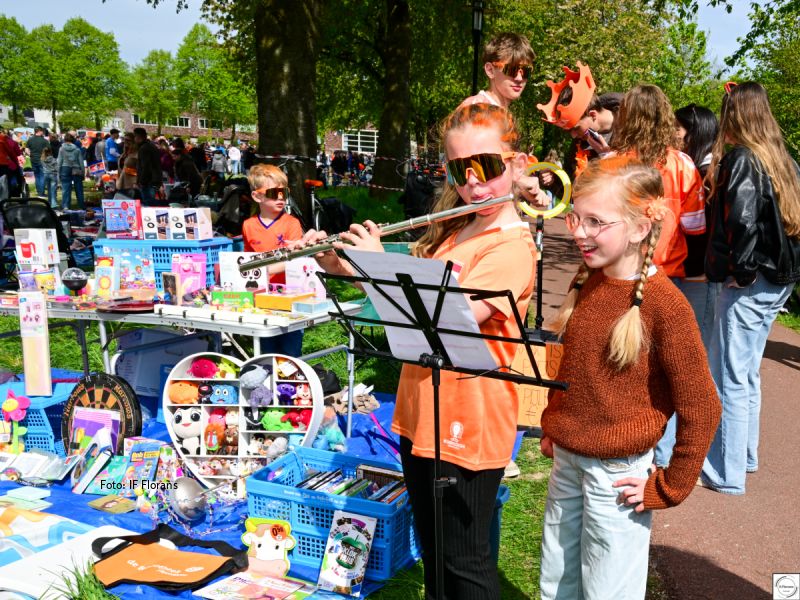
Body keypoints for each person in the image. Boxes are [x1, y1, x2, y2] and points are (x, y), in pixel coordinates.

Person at [300, 103, 535, 599]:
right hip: (420, 408)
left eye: (487, 167)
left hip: (468, 416)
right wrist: (338, 262)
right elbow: (406, 284)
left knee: (465, 563)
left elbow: (451, 317)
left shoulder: (511, 246)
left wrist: (376, 264)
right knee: (434, 556)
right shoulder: (461, 227)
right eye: (460, 170)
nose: (474, 183)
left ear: (517, 164)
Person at [539, 156, 721, 599]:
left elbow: (702, 405)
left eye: (596, 222)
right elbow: (571, 367)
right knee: (556, 582)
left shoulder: (666, 307)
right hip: (568, 462)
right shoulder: (588, 280)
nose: (579, 232)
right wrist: (552, 423)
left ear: (641, 227)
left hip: (617, 478)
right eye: (575, 218)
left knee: (607, 591)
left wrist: (671, 485)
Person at [701, 82, 800, 495]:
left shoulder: (742, 158)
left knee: (730, 374)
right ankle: (745, 456)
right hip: (778, 278)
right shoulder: (783, 160)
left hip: (752, 278)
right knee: (747, 371)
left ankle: (727, 472)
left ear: (734, 114)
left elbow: (741, 220)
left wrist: (739, 272)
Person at [654, 104, 720, 469]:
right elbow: (695, 225)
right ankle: (667, 458)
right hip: (681, 271)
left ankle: (662, 454)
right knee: (679, 363)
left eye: (681, 127)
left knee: (677, 366)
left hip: (681, 272)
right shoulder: (684, 165)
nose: (677, 132)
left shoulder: (625, 160)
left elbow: (700, 226)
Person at [610, 84, 706, 280]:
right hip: (666, 272)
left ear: (625, 117)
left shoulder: (610, 163)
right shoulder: (683, 164)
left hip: (619, 268)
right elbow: (694, 225)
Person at [242, 163, 305, 355]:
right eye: (273, 192)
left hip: (290, 297)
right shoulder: (248, 225)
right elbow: (247, 259)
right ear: (257, 196)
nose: (280, 197)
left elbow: (294, 259)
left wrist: (263, 269)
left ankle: (291, 382)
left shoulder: (292, 223)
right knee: (265, 348)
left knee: (290, 351)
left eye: (284, 192)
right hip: (260, 297)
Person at [460, 32, 535, 109]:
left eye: (526, 71)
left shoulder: (497, 111)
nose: (519, 78)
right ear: (490, 70)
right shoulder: (476, 108)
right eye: (512, 69)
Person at [134, 127, 162, 206]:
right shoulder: (151, 146)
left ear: (138, 137)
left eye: (134, 137)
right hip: (154, 179)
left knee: (148, 203)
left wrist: (142, 181)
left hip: (149, 181)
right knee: (150, 202)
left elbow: (145, 167)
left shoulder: (144, 148)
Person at [57, 133, 85, 210]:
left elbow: (59, 161)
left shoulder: (61, 149)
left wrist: (58, 172)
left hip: (65, 168)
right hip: (76, 169)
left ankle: (66, 206)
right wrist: (83, 172)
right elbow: (81, 162)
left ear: (64, 140)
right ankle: (81, 205)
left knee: (66, 188)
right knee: (79, 189)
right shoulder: (77, 149)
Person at [26, 126, 50, 196]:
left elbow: (26, 149)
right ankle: (41, 192)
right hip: (42, 159)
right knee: (42, 176)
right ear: (40, 131)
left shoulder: (30, 139)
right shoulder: (44, 141)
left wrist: (30, 154)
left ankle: (38, 191)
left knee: (36, 176)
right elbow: (48, 150)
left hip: (33, 159)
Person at [116, 132, 138, 197]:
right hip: (121, 184)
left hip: (131, 185)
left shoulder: (136, 154)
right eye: (125, 139)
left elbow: (140, 170)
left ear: (133, 141)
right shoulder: (124, 154)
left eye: (128, 140)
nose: (126, 142)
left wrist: (135, 182)